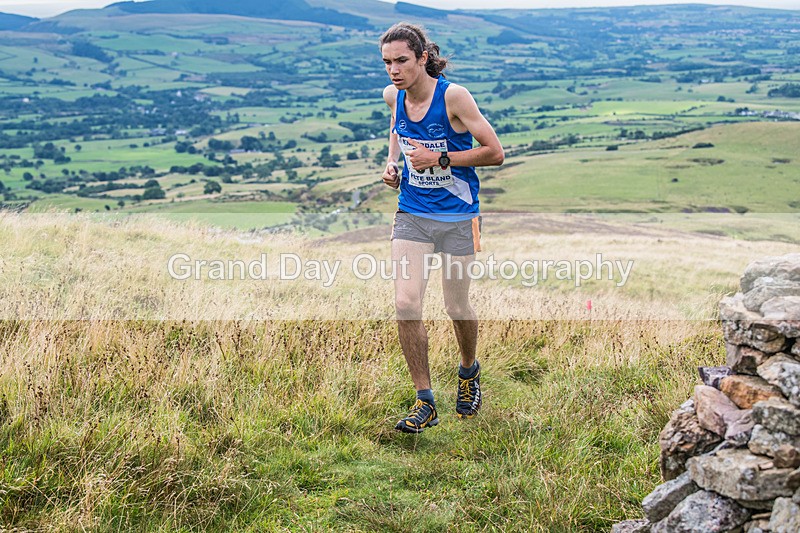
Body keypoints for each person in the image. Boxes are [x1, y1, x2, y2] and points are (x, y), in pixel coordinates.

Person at [379, 22, 504, 433]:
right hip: (412, 213)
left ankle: (468, 373)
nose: (394, 70)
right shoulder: (391, 96)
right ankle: (425, 401)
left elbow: (495, 153)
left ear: (421, 58)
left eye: (401, 61)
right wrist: (393, 163)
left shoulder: (453, 96)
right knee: (405, 303)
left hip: (457, 216)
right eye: (386, 63)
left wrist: (441, 159)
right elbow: (396, 132)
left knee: (456, 306)